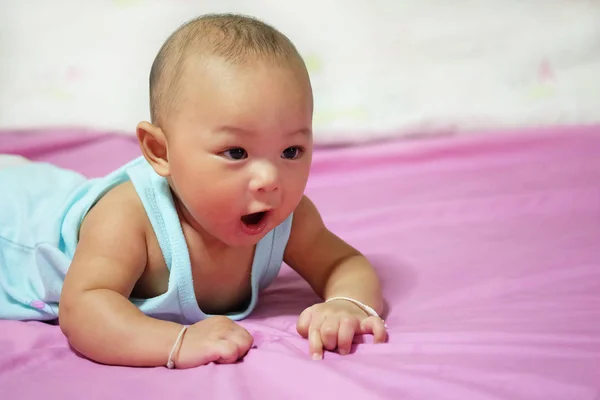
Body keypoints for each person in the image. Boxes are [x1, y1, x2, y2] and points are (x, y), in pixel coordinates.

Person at [0, 13, 386, 369]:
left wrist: (347, 303)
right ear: (160, 152)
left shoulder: (290, 216)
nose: (270, 178)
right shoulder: (128, 218)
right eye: (236, 152)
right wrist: (177, 341)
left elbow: (344, 263)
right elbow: (83, 308)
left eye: (291, 151)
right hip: (15, 223)